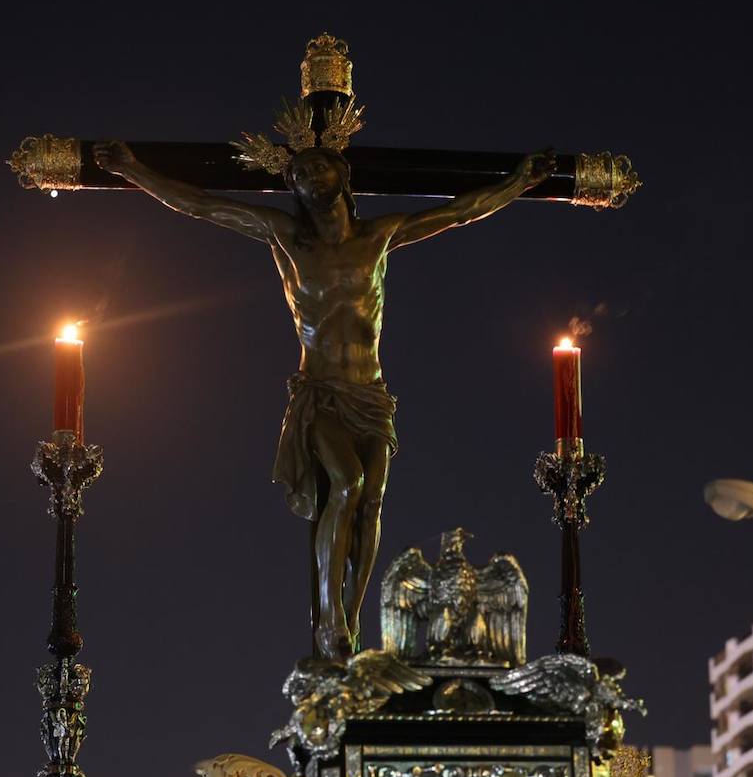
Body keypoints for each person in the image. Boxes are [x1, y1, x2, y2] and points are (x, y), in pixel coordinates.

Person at [94, 136, 554, 661]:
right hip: (320, 392)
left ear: (342, 175)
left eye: (317, 167)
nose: (308, 177)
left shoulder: (380, 236)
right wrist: (135, 171)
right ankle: (330, 614)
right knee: (348, 483)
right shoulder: (286, 237)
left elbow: (460, 212)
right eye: (299, 174)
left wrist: (519, 182)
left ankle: (352, 616)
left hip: (370, 394)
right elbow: (200, 204)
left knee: (372, 499)